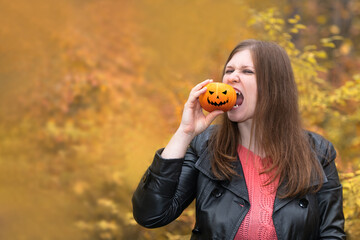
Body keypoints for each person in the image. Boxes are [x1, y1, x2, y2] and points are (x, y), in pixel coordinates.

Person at [132, 39, 346, 239]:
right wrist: (185, 132)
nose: (231, 77)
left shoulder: (318, 152)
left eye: (247, 71)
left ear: (274, 86)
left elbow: (331, 233)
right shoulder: (205, 146)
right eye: (229, 70)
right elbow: (151, 215)